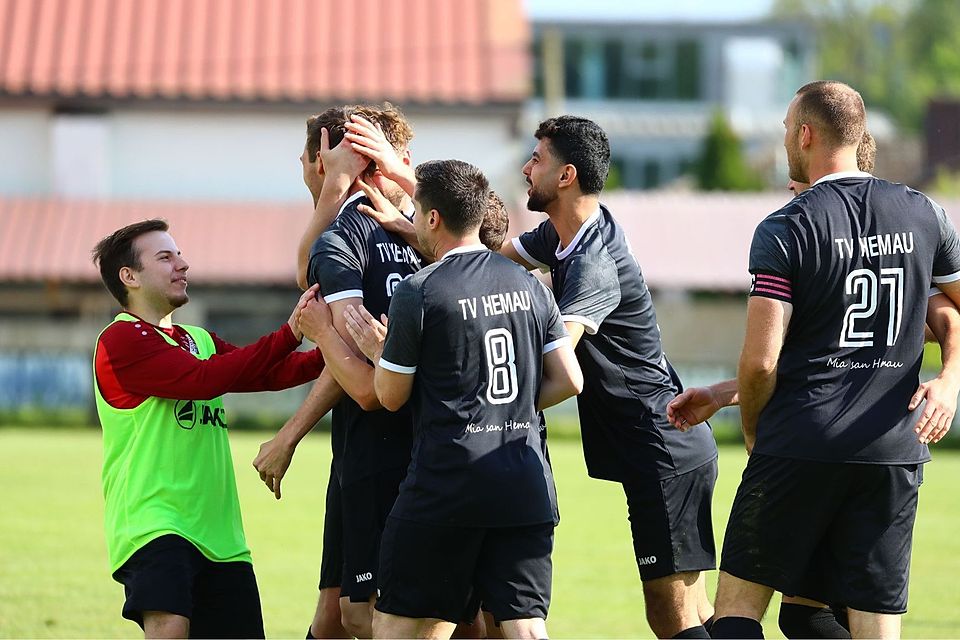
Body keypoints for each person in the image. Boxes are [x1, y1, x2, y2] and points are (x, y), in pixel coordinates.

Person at [692, 81, 960, 639]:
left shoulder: (787, 226)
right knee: (843, 621)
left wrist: (753, 429)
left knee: (736, 613)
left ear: (806, 135)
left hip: (799, 443)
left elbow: (762, 362)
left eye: (786, 128)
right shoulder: (925, 213)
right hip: (892, 452)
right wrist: (949, 381)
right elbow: (950, 313)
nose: (784, 138)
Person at [300, 159, 582, 639]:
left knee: (394, 626)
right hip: (525, 481)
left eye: (416, 214)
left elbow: (389, 396)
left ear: (432, 218)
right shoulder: (529, 284)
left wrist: (363, 346)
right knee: (525, 628)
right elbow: (570, 380)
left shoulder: (420, 290)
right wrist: (504, 407)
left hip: (447, 483)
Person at [493, 116, 719, 638]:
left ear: (566, 175)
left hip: (662, 448)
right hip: (665, 444)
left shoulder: (593, 262)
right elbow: (483, 259)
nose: (526, 168)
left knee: (672, 615)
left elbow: (561, 366)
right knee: (696, 611)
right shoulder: (567, 233)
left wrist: (489, 407)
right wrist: (411, 214)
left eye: (537, 159)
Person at [91, 219, 325, 639]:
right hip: (156, 523)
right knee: (170, 628)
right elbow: (204, 380)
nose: (182, 264)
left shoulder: (196, 338)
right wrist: (291, 332)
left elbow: (268, 372)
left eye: (179, 255)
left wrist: (338, 347)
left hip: (221, 534)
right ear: (129, 276)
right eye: (165, 257)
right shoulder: (121, 339)